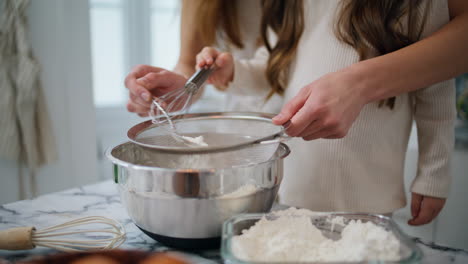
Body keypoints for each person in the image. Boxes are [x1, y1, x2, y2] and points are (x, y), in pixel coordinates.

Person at [195, 0, 468, 226]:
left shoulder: (420, 4)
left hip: (368, 200)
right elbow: (273, 68)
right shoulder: (293, 5)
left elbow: (437, 93)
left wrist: (434, 176)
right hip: (295, 190)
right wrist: (234, 72)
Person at [125, 0, 281, 117]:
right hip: (240, 119)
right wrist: (177, 90)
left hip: (292, 119)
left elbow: (279, 65)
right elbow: (189, 64)